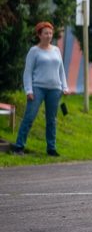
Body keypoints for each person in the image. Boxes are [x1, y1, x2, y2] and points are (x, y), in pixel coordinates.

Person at [12, 22, 70, 156]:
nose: (49, 36)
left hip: (55, 90)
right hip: (38, 88)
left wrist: (64, 87)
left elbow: (61, 70)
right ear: (39, 35)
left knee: (52, 120)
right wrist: (29, 90)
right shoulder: (34, 51)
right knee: (29, 117)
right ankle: (19, 146)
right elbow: (27, 72)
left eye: (50, 33)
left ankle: (51, 148)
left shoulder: (56, 50)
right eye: (46, 33)